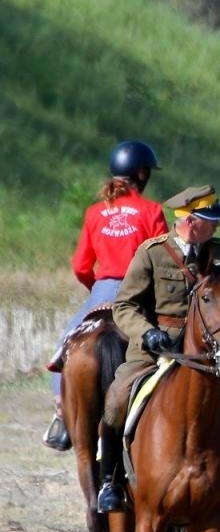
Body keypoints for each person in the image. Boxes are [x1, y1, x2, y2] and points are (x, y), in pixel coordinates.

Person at [95, 186, 220, 514]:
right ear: (191, 222)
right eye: (210, 221)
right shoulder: (152, 253)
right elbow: (124, 306)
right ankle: (111, 482)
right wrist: (147, 334)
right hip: (155, 352)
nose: (217, 227)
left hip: (209, 355)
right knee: (117, 397)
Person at [42, 141, 168, 450]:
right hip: (139, 293)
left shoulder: (96, 212)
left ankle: (62, 416)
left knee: (65, 348)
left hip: (102, 290)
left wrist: (97, 291)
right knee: (167, 345)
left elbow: (80, 265)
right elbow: (161, 261)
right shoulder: (151, 211)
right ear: (141, 174)